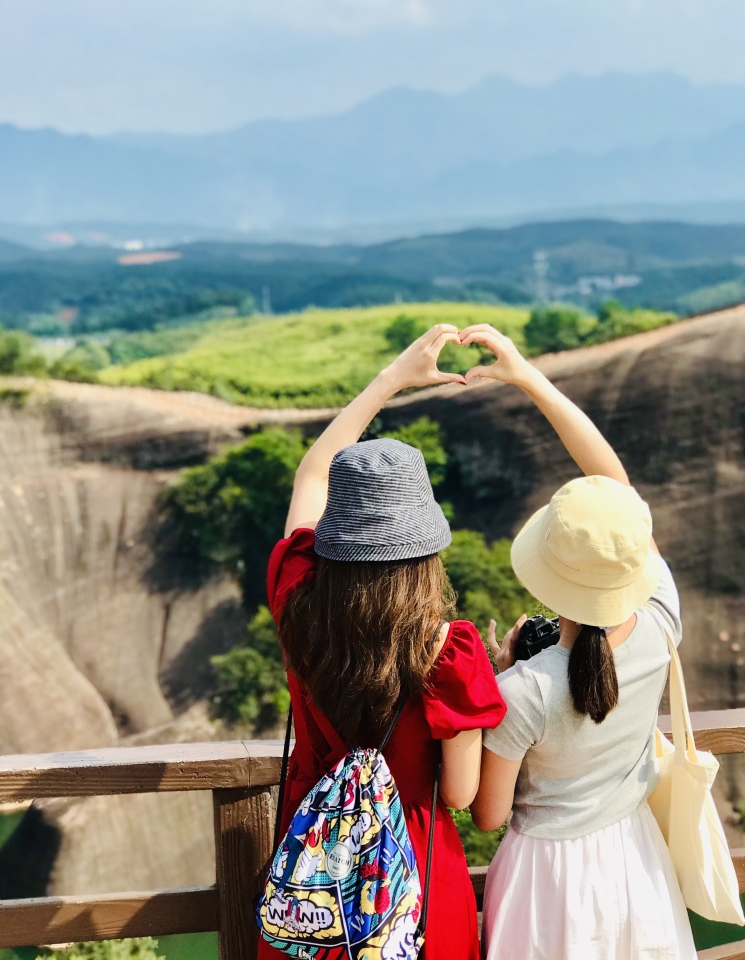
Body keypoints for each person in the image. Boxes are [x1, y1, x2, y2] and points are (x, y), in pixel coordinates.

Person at [261, 323, 507, 960]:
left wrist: (390, 380)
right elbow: (460, 795)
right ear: (425, 549)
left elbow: (311, 475)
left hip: (312, 881)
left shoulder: (296, 597)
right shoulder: (448, 650)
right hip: (415, 879)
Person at [463, 324, 696, 960]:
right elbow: (616, 484)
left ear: (548, 576)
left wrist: (502, 676)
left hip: (545, 883)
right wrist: (529, 376)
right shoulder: (660, 623)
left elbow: (487, 814)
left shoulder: (523, 691)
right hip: (634, 859)